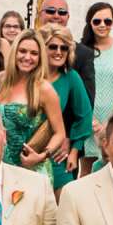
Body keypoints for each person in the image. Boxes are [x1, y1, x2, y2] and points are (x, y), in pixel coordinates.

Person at [0, 31, 70, 178]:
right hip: (1, 170)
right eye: (22, 51)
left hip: (32, 170)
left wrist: (42, 155)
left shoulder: (44, 88)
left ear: (40, 58)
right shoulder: (1, 82)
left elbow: (60, 133)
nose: (27, 57)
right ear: (14, 53)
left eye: (34, 53)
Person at [37, 29, 94, 187]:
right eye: (53, 47)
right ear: (43, 48)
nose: (58, 52)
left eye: (64, 48)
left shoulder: (71, 77)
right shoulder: (30, 75)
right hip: (26, 153)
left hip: (57, 155)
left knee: (62, 209)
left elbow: (84, 115)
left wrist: (74, 151)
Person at [74, 1, 113, 158]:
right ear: (90, 22)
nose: (102, 25)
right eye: (97, 21)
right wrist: (90, 119)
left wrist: (111, 120)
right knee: (86, 170)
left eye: (107, 21)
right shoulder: (80, 50)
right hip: (88, 117)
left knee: (112, 164)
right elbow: (77, 86)